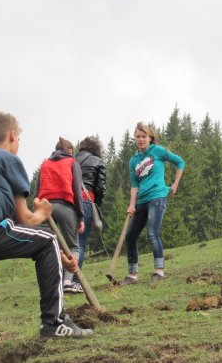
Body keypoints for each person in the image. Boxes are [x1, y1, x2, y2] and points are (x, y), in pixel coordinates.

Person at [0, 112, 92, 337]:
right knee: (47, 241)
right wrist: (43, 213)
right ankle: (54, 323)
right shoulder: (7, 158)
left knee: (46, 244)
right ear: (13, 136)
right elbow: (25, 219)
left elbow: (19, 230)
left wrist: (60, 259)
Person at [120, 122, 185, 285]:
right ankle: (132, 275)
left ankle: (159, 271)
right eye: (138, 137)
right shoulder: (133, 161)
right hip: (141, 200)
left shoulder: (158, 151)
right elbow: (134, 185)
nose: (141, 139)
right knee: (130, 237)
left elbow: (180, 162)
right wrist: (131, 205)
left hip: (157, 197)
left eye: (144, 136)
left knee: (152, 233)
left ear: (150, 138)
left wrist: (175, 183)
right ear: (134, 139)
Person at [36, 137, 85, 293]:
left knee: (47, 245)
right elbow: (78, 191)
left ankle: (50, 285)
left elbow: (37, 191)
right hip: (65, 206)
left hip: (45, 207)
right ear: (70, 151)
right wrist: (81, 216)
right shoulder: (72, 162)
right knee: (73, 246)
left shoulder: (45, 164)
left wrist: (36, 212)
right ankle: (68, 282)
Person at [75, 136, 107, 270]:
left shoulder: (71, 160)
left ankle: (65, 279)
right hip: (86, 201)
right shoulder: (98, 161)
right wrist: (96, 205)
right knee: (80, 243)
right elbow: (101, 187)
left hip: (69, 203)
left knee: (69, 243)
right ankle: (75, 281)